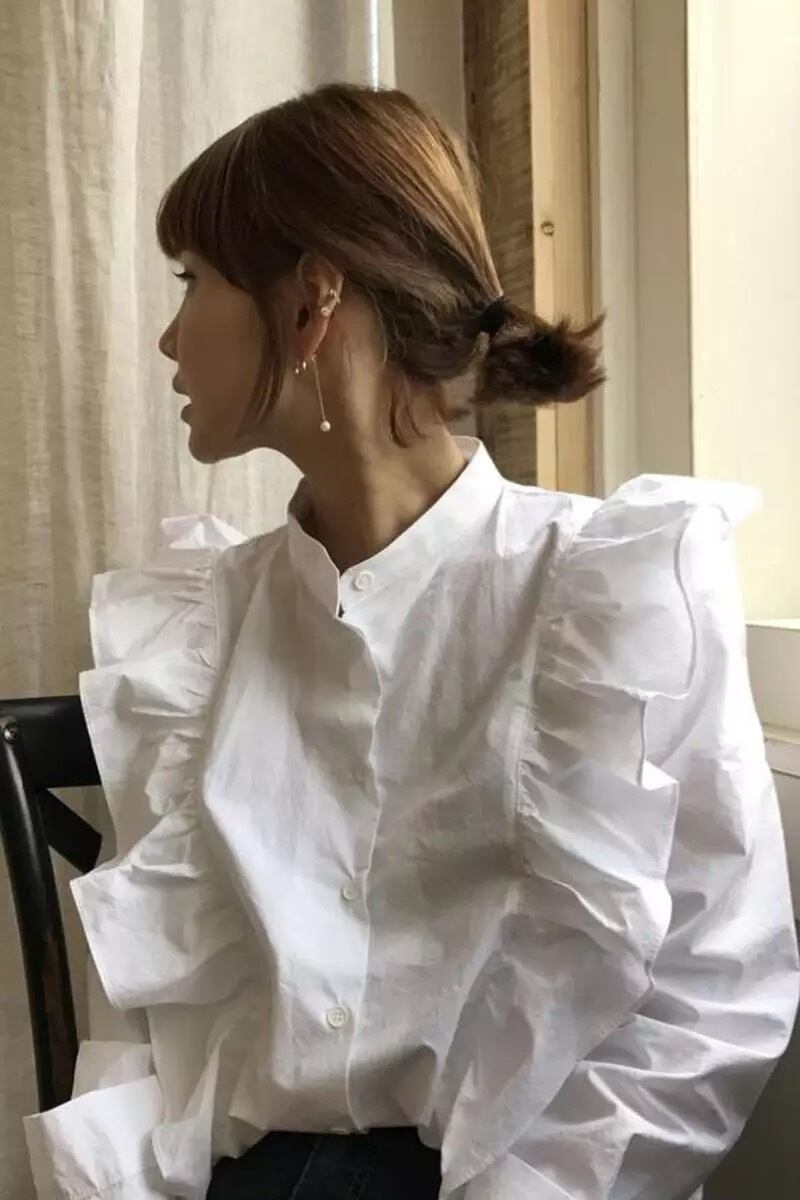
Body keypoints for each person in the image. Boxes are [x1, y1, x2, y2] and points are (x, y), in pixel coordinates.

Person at [23, 83, 798, 1200]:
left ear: (311, 300)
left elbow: (711, 997)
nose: (169, 335)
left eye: (193, 279)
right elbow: (142, 1028)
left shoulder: (615, 592)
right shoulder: (189, 639)